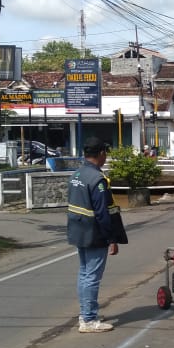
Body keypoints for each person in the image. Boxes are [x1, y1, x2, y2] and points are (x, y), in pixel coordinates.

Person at [67, 137, 123, 333]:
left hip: (78, 231)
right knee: (91, 277)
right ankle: (89, 320)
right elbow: (102, 212)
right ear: (101, 154)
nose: (105, 157)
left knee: (84, 274)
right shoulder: (97, 179)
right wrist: (111, 239)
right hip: (94, 233)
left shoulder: (77, 174)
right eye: (105, 153)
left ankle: (85, 315)